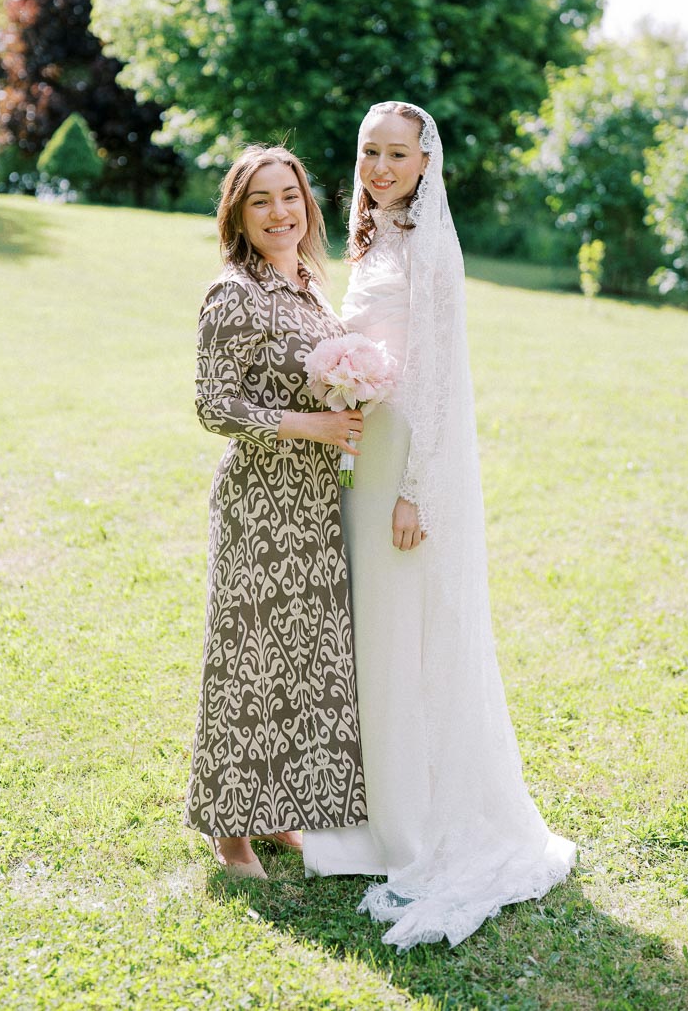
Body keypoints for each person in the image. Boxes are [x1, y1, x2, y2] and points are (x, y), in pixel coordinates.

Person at [303, 102, 575, 948]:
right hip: (367, 448)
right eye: (368, 152)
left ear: (426, 161)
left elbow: (439, 378)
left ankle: (425, 824)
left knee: (413, 630)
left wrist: (414, 490)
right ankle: (378, 811)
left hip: (407, 465)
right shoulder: (374, 237)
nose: (379, 167)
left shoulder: (431, 247)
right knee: (374, 632)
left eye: (395, 154)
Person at [184, 144, 367, 879]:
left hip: (319, 502)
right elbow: (212, 405)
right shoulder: (234, 293)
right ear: (238, 213)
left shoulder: (309, 287)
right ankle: (229, 830)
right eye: (261, 200)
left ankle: (279, 811)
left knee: (298, 659)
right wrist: (310, 426)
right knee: (245, 661)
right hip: (262, 503)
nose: (279, 212)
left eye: (288, 196)